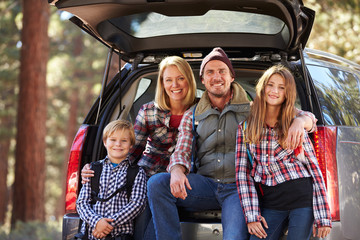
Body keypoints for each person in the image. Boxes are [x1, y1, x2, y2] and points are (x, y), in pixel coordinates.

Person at [146, 47, 318, 240]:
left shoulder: (254, 110)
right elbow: (182, 150)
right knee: (157, 184)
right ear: (203, 80)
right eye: (210, 72)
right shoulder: (192, 114)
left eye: (222, 71)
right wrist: (177, 169)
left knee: (234, 237)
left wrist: (301, 122)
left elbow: (307, 116)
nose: (216, 76)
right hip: (205, 186)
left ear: (231, 77)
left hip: (238, 190)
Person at [81, 56, 197, 240]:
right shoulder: (148, 111)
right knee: (144, 221)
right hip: (149, 175)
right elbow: (131, 149)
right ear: (162, 83)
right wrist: (99, 168)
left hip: (188, 179)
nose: (175, 84)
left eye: (181, 78)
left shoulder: (201, 109)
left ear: (189, 80)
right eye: (168, 79)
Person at [235, 65, 331, 240]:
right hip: (271, 204)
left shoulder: (294, 124)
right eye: (270, 85)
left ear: (287, 94)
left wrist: (323, 215)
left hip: (302, 200)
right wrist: (252, 216)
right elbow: (243, 175)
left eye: (281, 88)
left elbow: (314, 170)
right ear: (263, 87)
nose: (274, 91)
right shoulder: (246, 128)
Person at [76, 120, 147, 240]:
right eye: (113, 140)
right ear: (105, 142)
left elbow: (137, 204)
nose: (118, 144)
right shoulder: (93, 169)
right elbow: (82, 202)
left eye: (124, 141)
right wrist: (97, 222)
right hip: (92, 233)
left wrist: (108, 225)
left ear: (131, 145)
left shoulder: (137, 173)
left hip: (119, 235)